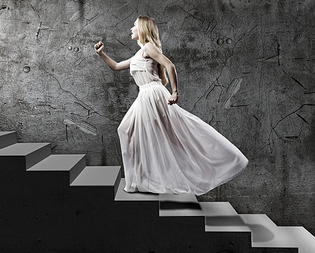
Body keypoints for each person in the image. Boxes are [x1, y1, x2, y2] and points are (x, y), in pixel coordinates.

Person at [94, 16, 248, 195]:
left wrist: (175, 92)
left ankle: (219, 161)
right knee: (126, 130)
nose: (131, 29)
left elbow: (169, 65)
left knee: (174, 133)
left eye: (134, 26)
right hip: (144, 95)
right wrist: (101, 54)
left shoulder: (149, 47)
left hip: (153, 94)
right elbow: (116, 66)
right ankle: (137, 180)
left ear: (142, 29)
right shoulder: (139, 53)